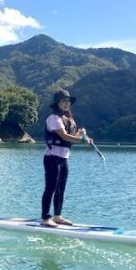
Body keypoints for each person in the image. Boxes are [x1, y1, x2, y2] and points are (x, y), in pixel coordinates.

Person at [40, 89, 94, 227]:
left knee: (60, 188)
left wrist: (81, 134)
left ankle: (57, 216)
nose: (66, 103)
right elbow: (64, 136)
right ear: (57, 103)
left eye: (68, 101)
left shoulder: (68, 118)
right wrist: (81, 140)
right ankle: (45, 218)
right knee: (51, 187)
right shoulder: (54, 118)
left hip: (63, 157)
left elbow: (72, 136)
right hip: (52, 157)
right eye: (63, 101)